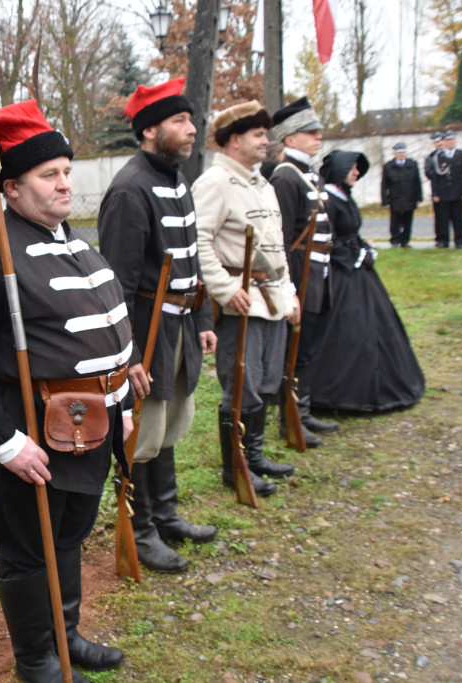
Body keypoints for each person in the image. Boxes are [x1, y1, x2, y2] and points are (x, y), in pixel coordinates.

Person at [0, 100, 128, 683]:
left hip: (88, 427)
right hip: (30, 433)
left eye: (67, 171)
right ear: (11, 187)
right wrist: (4, 443)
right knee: (26, 548)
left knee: (68, 536)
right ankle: (36, 659)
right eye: (50, 175)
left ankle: (66, 634)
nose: (65, 182)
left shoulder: (73, 240)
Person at [96, 78, 218, 574]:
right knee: (143, 434)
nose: (192, 130)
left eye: (190, 120)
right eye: (180, 121)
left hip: (182, 326)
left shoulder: (175, 178)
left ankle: (165, 515)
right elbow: (117, 284)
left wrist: (204, 316)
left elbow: (192, 260)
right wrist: (127, 356)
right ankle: (141, 530)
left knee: (167, 425)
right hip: (146, 329)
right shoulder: (130, 190)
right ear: (149, 130)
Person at [192, 101, 299, 498]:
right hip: (241, 303)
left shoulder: (262, 183)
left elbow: (277, 246)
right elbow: (198, 241)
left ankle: (254, 456)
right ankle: (234, 466)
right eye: (258, 135)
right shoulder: (215, 183)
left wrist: (288, 293)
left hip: (271, 298)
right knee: (242, 386)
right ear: (234, 140)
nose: (266, 142)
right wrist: (222, 288)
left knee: (267, 381)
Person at [310, 150, 425, 412]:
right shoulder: (327, 199)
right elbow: (328, 239)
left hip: (359, 273)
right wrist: (356, 256)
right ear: (339, 169)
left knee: (373, 326)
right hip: (341, 273)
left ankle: (379, 385)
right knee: (348, 329)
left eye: (358, 168)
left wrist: (364, 248)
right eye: (352, 168)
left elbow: (350, 233)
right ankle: (336, 393)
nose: (356, 172)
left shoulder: (344, 196)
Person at [267, 96, 339, 448]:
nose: (318, 136)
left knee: (307, 347)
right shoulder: (286, 177)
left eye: (318, 131)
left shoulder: (307, 174)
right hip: (299, 271)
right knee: (295, 347)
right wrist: (289, 287)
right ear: (290, 139)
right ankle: (290, 418)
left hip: (318, 271)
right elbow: (280, 238)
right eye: (309, 132)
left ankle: (303, 411)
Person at [429, 130, 462, 248]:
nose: (451, 142)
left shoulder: (461, 155)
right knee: (443, 218)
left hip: (457, 192)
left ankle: (460, 240)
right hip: (443, 192)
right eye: (448, 140)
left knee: (458, 218)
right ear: (444, 142)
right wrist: (435, 193)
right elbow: (435, 177)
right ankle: (443, 240)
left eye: (452, 140)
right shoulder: (438, 157)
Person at [380, 142, 423, 248]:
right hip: (395, 198)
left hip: (409, 197)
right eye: (399, 153)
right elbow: (384, 184)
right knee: (395, 221)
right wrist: (385, 200)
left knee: (408, 221)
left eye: (403, 152)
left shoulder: (412, 164)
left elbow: (417, 181)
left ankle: (405, 241)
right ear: (395, 154)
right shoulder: (389, 166)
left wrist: (419, 197)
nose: (401, 155)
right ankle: (395, 240)